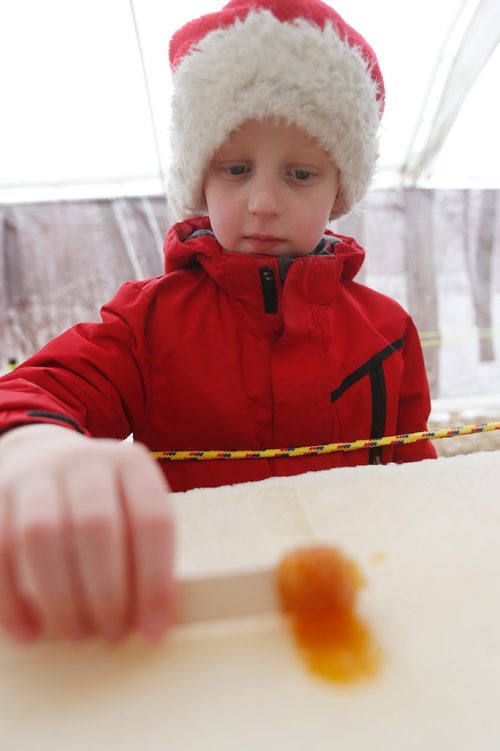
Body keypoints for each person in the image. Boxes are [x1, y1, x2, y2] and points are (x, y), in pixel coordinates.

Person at [0, 0, 436, 645]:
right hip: (196, 616)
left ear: (339, 191)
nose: (263, 202)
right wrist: (34, 451)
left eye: (299, 174)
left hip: (356, 600)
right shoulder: (147, 321)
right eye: (235, 168)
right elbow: (36, 392)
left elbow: (416, 472)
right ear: (197, 177)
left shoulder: (386, 328)